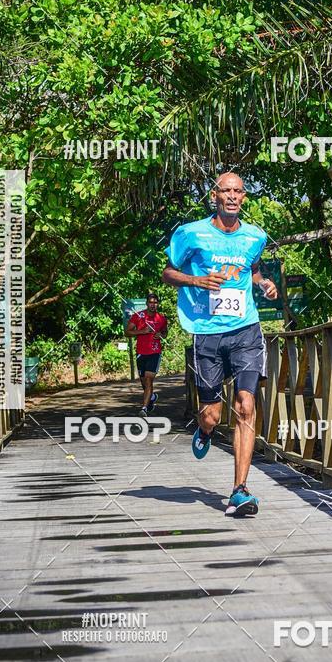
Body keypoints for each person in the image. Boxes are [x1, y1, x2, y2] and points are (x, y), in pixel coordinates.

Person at [162, 172, 278, 516]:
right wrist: (195, 279)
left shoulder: (255, 236)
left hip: (246, 329)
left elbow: (252, 270)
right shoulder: (191, 233)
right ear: (215, 196)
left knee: (245, 405)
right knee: (212, 414)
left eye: (238, 191)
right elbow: (168, 273)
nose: (231, 196)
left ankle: (240, 490)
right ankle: (204, 429)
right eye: (225, 191)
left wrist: (263, 283)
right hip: (206, 330)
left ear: (244, 197)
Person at [125, 293, 168, 416]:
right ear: (147, 303)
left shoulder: (161, 318)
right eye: (151, 302)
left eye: (155, 302)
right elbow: (127, 332)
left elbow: (165, 332)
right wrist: (142, 331)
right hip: (141, 352)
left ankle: (144, 408)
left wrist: (161, 335)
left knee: (149, 380)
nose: (153, 305)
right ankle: (152, 397)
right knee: (144, 382)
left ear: (158, 304)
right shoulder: (138, 316)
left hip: (155, 352)